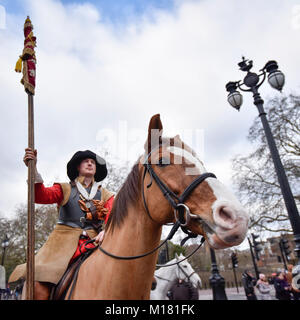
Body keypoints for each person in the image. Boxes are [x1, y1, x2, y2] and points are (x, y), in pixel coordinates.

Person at [8, 148, 114, 300]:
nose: (90, 163)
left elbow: (114, 215)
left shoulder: (106, 194)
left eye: (93, 162)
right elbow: (40, 196)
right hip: (61, 245)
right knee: (39, 284)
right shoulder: (64, 188)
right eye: (86, 161)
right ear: (78, 167)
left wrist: (109, 230)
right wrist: (34, 168)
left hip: (95, 242)